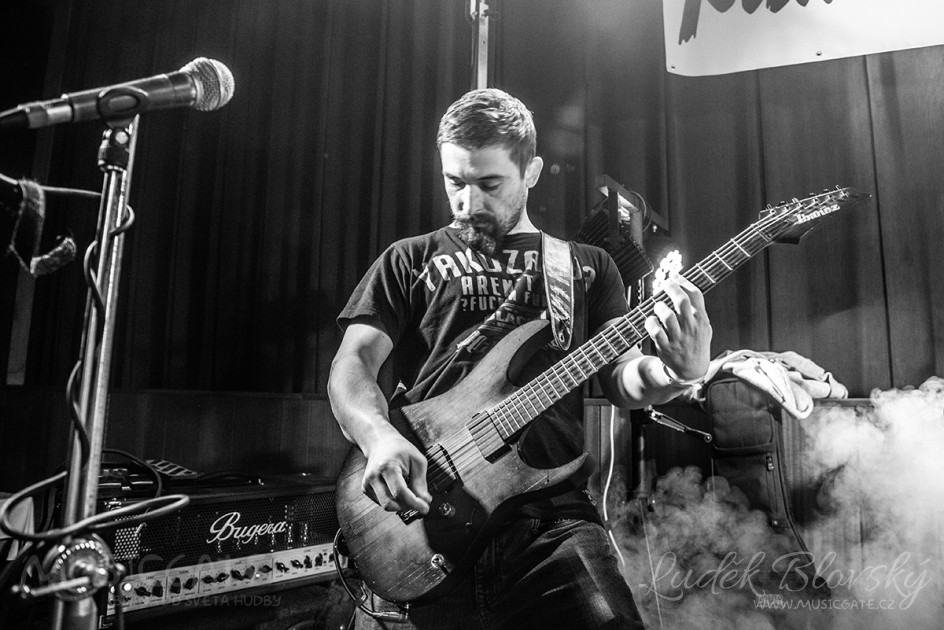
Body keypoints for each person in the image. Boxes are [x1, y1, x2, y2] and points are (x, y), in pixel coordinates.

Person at [328, 88, 712, 629]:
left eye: (489, 184)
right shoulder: (408, 258)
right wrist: (378, 436)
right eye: (454, 183)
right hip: (423, 512)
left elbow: (623, 379)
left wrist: (675, 372)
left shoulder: (586, 266)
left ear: (531, 171)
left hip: (550, 519)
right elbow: (352, 365)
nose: (467, 203)